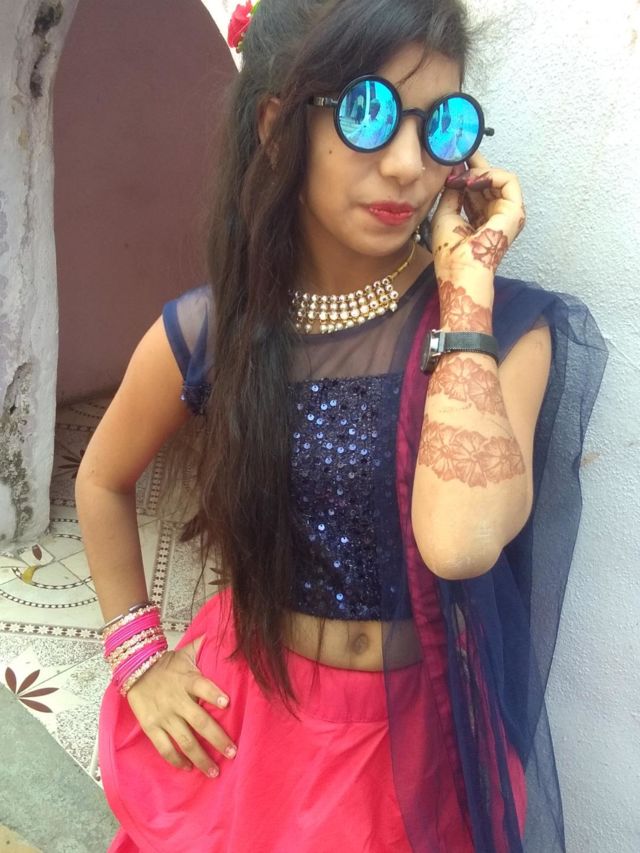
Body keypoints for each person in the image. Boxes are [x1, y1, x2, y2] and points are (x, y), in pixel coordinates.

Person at [75, 1, 607, 851]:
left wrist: (465, 291)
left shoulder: (499, 332)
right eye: (367, 112)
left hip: (418, 745)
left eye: (441, 125)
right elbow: (101, 478)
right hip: (255, 728)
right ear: (278, 126)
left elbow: (461, 541)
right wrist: (138, 657)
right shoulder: (217, 331)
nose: (407, 164)